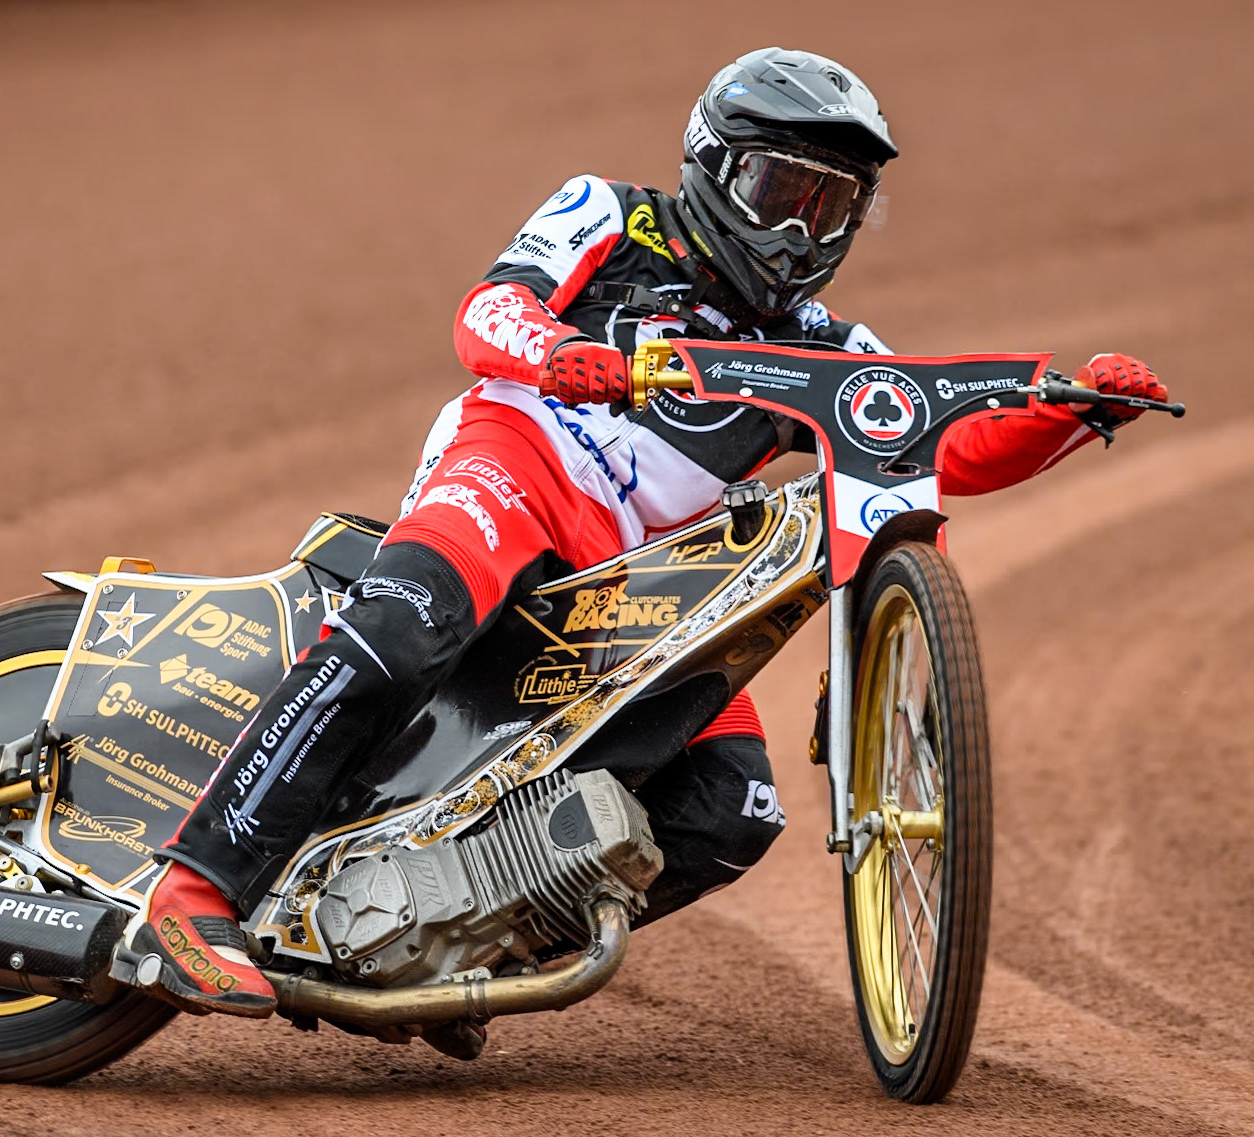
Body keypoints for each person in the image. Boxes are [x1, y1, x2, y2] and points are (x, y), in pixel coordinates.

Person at [114, 47, 1169, 1018]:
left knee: (733, 805)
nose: (798, 232)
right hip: (515, 469)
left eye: (829, 206)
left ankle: (464, 948)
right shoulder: (608, 216)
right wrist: (553, 355)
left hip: (640, 585)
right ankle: (194, 887)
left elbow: (937, 447)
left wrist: (1066, 415)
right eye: (778, 193)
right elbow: (486, 310)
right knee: (404, 630)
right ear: (710, 166)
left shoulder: (827, 346)